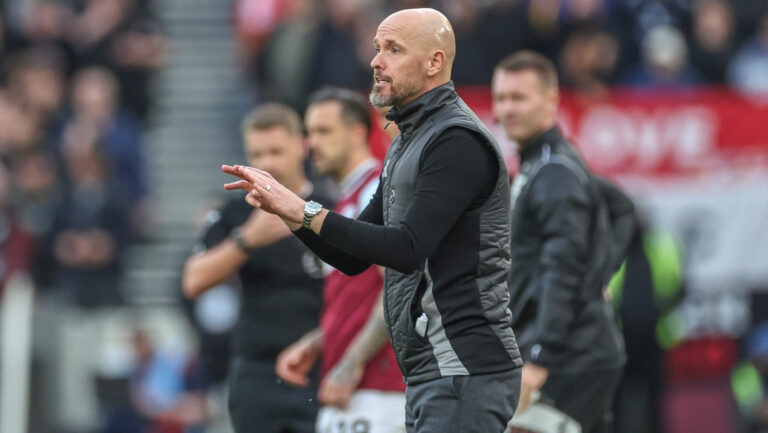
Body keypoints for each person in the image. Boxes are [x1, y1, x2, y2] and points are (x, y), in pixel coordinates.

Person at [223, 8, 522, 433]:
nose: (375, 61)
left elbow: (405, 248)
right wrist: (290, 213)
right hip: (429, 370)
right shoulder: (408, 143)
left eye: (393, 50)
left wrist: (305, 211)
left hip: (463, 367)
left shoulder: (455, 139)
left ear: (434, 62)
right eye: (377, 48)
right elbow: (351, 260)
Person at [492, 50, 633, 433]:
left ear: (551, 100)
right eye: (501, 98)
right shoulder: (545, 164)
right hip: (569, 350)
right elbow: (622, 206)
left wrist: (540, 356)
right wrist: (600, 273)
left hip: (570, 358)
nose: (507, 108)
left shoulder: (554, 173)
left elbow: (563, 267)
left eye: (519, 97)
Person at [182, 103, 332, 433]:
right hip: (257, 371)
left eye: (276, 151)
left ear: (301, 146)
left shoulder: (330, 208)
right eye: (257, 153)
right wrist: (247, 239)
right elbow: (193, 281)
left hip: (322, 367)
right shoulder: (235, 213)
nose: (267, 163)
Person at [275, 87, 406, 433]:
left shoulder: (375, 193)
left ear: (357, 133)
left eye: (323, 131)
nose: (310, 143)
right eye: (308, 132)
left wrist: (351, 362)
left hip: (378, 387)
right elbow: (359, 297)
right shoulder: (349, 198)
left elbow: (397, 288)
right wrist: (319, 340)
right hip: (356, 388)